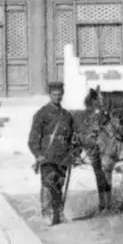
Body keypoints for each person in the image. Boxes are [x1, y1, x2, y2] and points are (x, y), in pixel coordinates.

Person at [27, 81, 77, 226]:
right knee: (48, 184)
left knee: (59, 184)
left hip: (63, 156)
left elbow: (72, 138)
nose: (57, 97)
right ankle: (47, 213)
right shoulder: (41, 114)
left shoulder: (67, 115)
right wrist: (38, 154)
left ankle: (59, 213)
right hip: (47, 155)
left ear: (63, 95)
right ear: (50, 95)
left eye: (59, 94)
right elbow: (33, 138)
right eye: (54, 94)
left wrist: (73, 154)